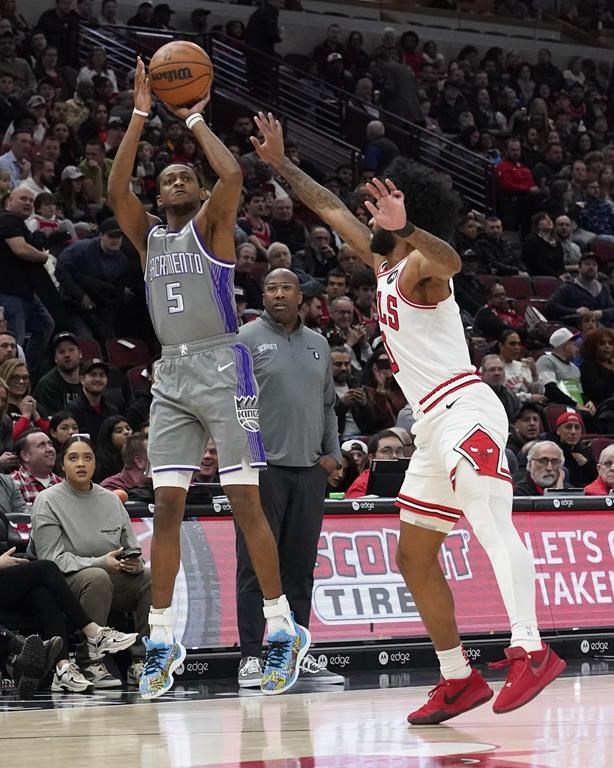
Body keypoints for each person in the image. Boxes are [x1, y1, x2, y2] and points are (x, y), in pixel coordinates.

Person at [250, 113, 565, 722]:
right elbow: (328, 207)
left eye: (379, 212)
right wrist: (281, 163)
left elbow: (453, 262)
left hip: (465, 407)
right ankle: (458, 678)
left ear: (408, 215)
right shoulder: (384, 266)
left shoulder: (421, 265)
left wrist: (410, 229)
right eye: (372, 211)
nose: (366, 217)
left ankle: (532, 648)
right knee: (414, 556)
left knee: (490, 522)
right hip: (430, 426)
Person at [107, 60, 309, 700]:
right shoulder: (148, 240)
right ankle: (162, 637)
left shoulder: (211, 228)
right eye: (166, 178)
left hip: (224, 365)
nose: (175, 181)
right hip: (172, 373)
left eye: (184, 177)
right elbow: (115, 189)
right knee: (166, 505)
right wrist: (140, 114)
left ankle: (282, 627)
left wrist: (193, 115)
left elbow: (234, 174)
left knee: (245, 502)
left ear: (197, 193)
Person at [235, 268, 343, 688]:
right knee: (255, 565)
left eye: (286, 288)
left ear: (301, 296)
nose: (278, 294)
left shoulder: (318, 343)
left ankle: (297, 651)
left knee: (299, 569)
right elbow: (230, 400)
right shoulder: (245, 339)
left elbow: (328, 405)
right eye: (271, 289)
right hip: (262, 470)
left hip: (309, 471)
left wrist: (332, 454)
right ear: (263, 296)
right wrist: (245, 454)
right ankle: (250, 655)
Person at [29, 435, 148, 689]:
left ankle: (140, 661)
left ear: (95, 464)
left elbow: (132, 547)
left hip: (109, 575)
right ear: (62, 465)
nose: (81, 464)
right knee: (97, 577)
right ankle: (89, 661)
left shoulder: (111, 500)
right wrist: (100, 562)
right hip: (64, 582)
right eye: (73, 458)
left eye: (87, 458)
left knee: (150, 578)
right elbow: (49, 560)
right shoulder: (47, 500)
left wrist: (135, 563)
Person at [0, 186, 55, 372]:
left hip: (26, 293)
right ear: (9, 202)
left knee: (45, 326)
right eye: (23, 199)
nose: (28, 203)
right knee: (13, 341)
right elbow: (21, 249)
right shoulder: (7, 218)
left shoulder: (19, 223)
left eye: (31, 200)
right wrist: (44, 257)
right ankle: (10, 376)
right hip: (9, 293)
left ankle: (24, 373)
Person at [536, 328, 596, 417]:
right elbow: (550, 390)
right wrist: (575, 405)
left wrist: (588, 402)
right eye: (574, 345)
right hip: (556, 407)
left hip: (575, 408)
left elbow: (579, 393)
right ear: (565, 346)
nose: (578, 350)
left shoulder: (575, 369)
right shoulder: (546, 361)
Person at [67, 358, 119, 443]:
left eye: (102, 375)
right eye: (93, 375)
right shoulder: (73, 410)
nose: (98, 379)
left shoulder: (112, 410)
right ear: (82, 379)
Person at [345, 429, 405, 498]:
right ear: (371, 458)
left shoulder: (410, 480)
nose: (395, 456)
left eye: (399, 451)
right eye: (387, 451)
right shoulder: (360, 486)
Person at [33, 332, 83, 414]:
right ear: (55, 358)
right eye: (61, 351)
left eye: (71, 350)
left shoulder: (90, 378)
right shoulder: (47, 385)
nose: (67, 355)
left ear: (80, 353)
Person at [11, 430, 62, 505]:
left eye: (50, 444)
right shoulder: (11, 484)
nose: (50, 449)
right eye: (42, 445)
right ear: (25, 455)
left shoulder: (62, 484)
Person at [551, 411, 597, 487]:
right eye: (568, 427)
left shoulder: (586, 451)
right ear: (558, 431)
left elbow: (596, 479)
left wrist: (586, 465)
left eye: (577, 427)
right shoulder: (551, 451)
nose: (573, 432)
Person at [94, 415, 132, 482]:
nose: (126, 432)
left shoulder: (137, 454)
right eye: (119, 431)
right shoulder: (103, 462)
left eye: (128, 429)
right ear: (109, 437)